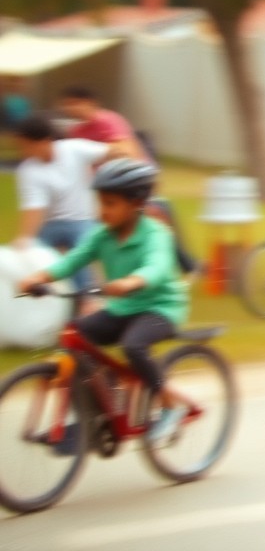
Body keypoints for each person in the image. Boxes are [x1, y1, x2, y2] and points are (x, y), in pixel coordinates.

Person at [18, 159, 191, 446]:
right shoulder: (102, 234)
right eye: (100, 202)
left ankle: (171, 407)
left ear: (136, 203)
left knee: (133, 346)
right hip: (122, 307)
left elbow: (158, 267)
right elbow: (74, 259)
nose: (102, 211)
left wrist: (132, 281)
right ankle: (98, 411)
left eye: (110, 203)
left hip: (159, 307)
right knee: (75, 337)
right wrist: (41, 277)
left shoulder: (157, 234)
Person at [12, 116, 127, 290]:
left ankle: (86, 296)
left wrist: (118, 168)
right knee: (33, 256)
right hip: (50, 224)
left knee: (80, 254)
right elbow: (34, 208)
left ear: (44, 141)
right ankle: (41, 293)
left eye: (26, 144)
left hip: (82, 220)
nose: (23, 150)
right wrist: (26, 239)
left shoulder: (74, 149)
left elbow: (115, 151)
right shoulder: (27, 170)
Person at [58, 86, 148, 162]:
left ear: (89, 103)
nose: (69, 108)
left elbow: (128, 152)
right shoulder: (75, 131)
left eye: (74, 104)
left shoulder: (108, 120)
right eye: (66, 105)